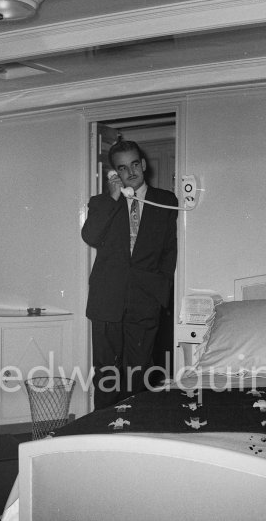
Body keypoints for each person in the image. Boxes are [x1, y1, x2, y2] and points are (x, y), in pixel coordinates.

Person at [82, 140, 178, 409]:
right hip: (106, 301)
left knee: (140, 371)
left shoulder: (165, 201)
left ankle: (134, 430)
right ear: (115, 173)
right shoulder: (102, 203)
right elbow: (89, 236)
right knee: (106, 372)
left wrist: (160, 290)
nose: (131, 172)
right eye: (122, 168)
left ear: (144, 164)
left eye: (135, 164)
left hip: (145, 300)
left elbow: (169, 252)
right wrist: (113, 198)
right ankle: (103, 429)